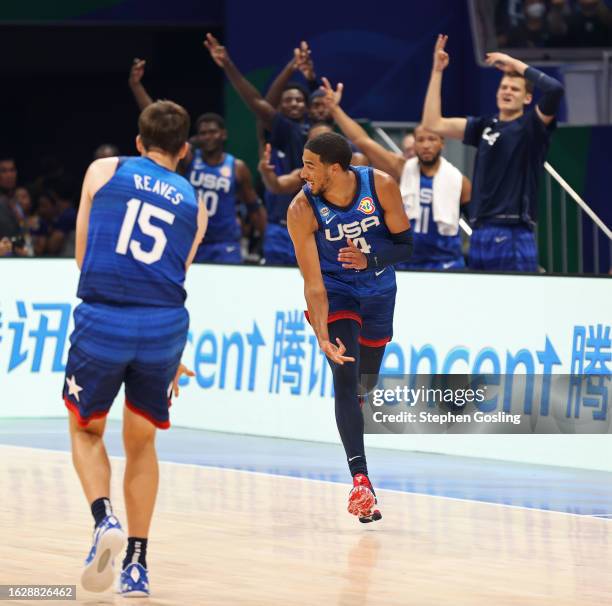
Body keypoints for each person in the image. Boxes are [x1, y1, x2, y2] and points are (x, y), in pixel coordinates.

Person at [63, 100, 206, 597]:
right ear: (185, 150)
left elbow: (83, 255)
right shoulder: (194, 202)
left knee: (86, 430)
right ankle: (138, 565)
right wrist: (172, 352)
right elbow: (176, 274)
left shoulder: (104, 170)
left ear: (139, 142)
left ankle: (104, 521)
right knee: (142, 444)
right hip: (164, 326)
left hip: (105, 316)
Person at [287, 132, 413, 522]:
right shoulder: (302, 208)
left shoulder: (381, 186)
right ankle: (361, 479)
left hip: (378, 290)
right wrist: (322, 336)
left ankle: (356, 419)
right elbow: (312, 283)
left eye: (310, 165)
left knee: (363, 383)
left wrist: (370, 258)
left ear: (335, 168)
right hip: (337, 292)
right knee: (345, 375)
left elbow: (406, 245)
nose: (302, 172)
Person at [422, 35, 564, 272]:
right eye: (504, 87)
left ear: (527, 98)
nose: (507, 91)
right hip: (479, 232)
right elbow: (432, 123)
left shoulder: (532, 126)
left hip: (512, 232)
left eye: (515, 89)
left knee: (516, 303)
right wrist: (437, 71)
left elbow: (555, 89)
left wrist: (513, 63)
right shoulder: (485, 125)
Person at [321, 80, 471, 270]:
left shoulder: (459, 181)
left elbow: (477, 222)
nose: (426, 145)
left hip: (448, 263)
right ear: (414, 143)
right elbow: (363, 141)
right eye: (421, 140)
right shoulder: (402, 169)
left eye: (432, 139)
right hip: (407, 262)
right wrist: (334, 109)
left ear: (442, 143)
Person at [128, 62, 264, 263]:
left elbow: (253, 206)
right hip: (191, 238)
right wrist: (137, 86)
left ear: (223, 134)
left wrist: (264, 240)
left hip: (225, 243)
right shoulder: (190, 156)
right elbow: (160, 126)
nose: (207, 136)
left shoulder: (236, 167)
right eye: (202, 133)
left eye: (212, 132)